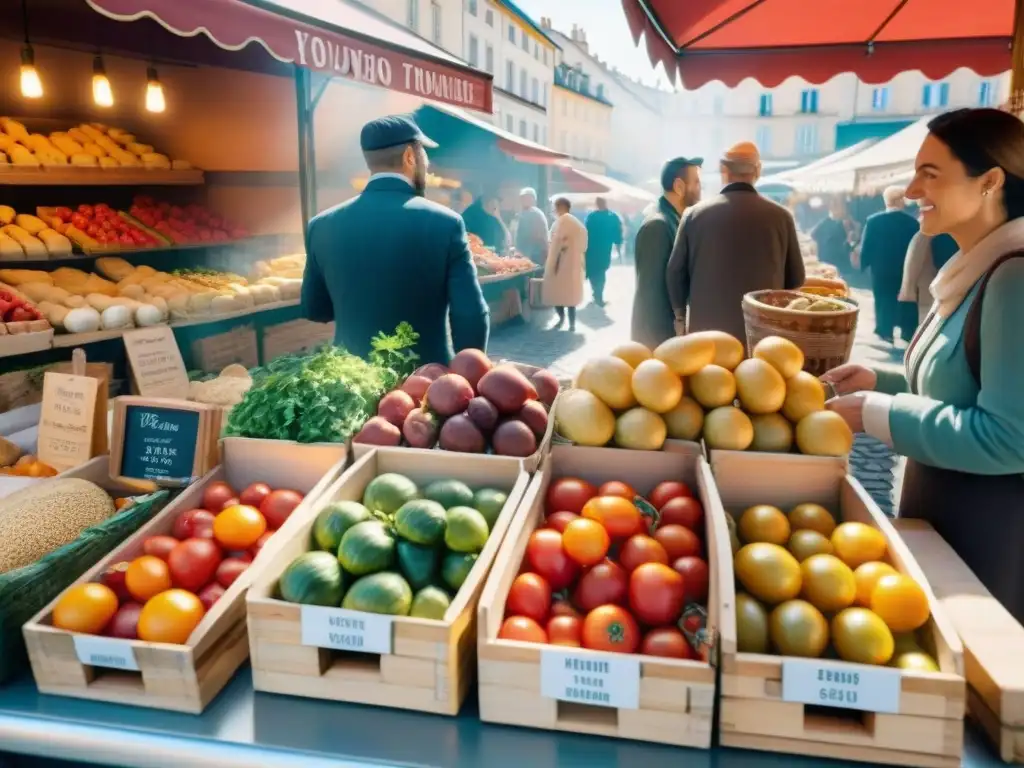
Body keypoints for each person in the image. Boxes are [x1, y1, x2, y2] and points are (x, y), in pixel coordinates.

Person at [822, 108, 1024, 622]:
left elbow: (1008, 436)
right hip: (948, 524)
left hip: (988, 545)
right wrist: (881, 378)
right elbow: (964, 383)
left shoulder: (1013, 278)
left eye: (929, 174)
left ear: (991, 181)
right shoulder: (971, 267)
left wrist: (877, 411)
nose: (911, 190)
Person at [301, 115, 489, 365]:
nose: (428, 164)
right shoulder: (447, 223)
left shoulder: (320, 225)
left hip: (349, 384)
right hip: (425, 385)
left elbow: (315, 309)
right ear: (409, 157)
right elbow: (470, 315)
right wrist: (470, 374)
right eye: (424, 155)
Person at [667, 142, 805, 342]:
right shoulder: (782, 217)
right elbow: (797, 279)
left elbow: (675, 273)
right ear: (758, 170)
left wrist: (680, 317)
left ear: (724, 170)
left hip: (706, 341)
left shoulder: (694, 215)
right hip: (762, 338)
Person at [631, 156, 702, 350]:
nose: (700, 189)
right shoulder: (658, 225)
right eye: (696, 183)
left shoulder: (673, 220)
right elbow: (652, 297)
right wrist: (662, 345)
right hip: (658, 341)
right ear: (679, 187)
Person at [855, 186, 920, 343]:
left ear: (886, 201)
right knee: (906, 298)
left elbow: (867, 245)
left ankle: (885, 330)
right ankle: (907, 330)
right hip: (904, 268)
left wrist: (864, 264)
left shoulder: (873, 221)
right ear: (901, 201)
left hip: (881, 269)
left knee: (883, 298)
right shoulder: (912, 223)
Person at [542, 197, 588, 331]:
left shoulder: (566, 221)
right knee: (563, 293)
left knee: (564, 294)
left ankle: (568, 321)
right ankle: (565, 321)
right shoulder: (568, 222)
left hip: (564, 262)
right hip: (568, 263)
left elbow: (556, 240)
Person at [899, 231, 959, 324]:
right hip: (937, 295)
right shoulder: (929, 235)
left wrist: (908, 291)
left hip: (931, 296)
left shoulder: (924, 235)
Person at [584, 197, 623, 306]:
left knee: (593, 271)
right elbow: (618, 231)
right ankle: (598, 295)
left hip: (592, 248)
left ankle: (596, 293)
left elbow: (585, 232)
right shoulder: (612, 216)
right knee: (601, 271)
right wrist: (618, 244)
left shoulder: (592, 217)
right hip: (604, 248)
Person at [811, 198, 853, 273]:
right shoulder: (833, 223)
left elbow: (813, 235)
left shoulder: (826, 222)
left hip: (830, 260)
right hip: (834, 261)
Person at [513, 187, 548, 266]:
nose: (524, 200)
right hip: (523, 255)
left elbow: (539, 236)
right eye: (522, 198)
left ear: (533, 199)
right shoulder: (522, 214)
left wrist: (545, 254)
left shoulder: (535, 213)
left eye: (527, 198)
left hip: (534, 256)